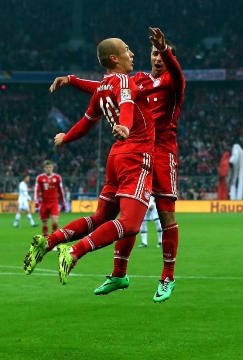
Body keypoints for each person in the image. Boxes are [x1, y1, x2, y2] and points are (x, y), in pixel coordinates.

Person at [48, 27, 185, 302]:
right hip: (136, 151)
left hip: (162, 154)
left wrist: (167, 50)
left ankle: (167, 276)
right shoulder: (140, 80)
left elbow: (178, 74)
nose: (157, 58)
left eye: (162, 54)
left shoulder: (174, 83)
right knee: (128, 215)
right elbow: (105, 87)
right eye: (154, 53)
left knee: (166, 216)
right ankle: (118, 273)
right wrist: (72, 81)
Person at [23, 37, 155, 292]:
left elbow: (86, 121)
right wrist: (126, 126)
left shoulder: (104, 88)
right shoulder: (126, 81)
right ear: (115, 59)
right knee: (129, 224)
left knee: (100, 218)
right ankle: (74, 251)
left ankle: (50, 241)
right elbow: (127, 104)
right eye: (127, 50)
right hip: (136, 155)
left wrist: (66, 136)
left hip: (115, 158)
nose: (133, 53)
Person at [34, 160, 66, 236]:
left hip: (54, 202)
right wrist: (36, 201)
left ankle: (53, 240)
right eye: (47, 167)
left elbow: (61, 191)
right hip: (44, 203)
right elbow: (37, 190)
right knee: (45, 222)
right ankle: (46, 241)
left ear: (52, 168)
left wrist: (63, 202)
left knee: (55, 221)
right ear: (44, 168)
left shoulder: (57, 178)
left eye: (50, 167)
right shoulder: (40, 178)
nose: (48, 169)